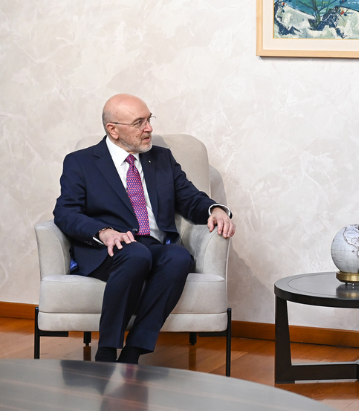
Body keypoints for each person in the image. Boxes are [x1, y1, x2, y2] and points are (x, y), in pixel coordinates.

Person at [53, 94, 236, 364]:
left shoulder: (161, 158)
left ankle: (134, 351)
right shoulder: (81, 162)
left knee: (179, 257)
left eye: (149, 119)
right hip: (109, 248)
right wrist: (103, 232)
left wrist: (216, 209)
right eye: (139, 122)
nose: (149, 128)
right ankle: (107, 351)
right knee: (135, 254)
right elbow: (65, 212)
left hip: (151, 244)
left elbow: (189, 198)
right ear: (113, 129)